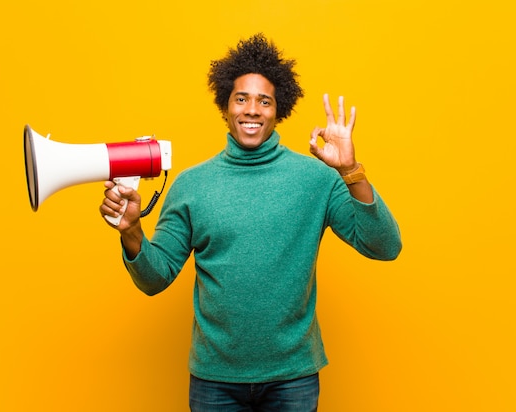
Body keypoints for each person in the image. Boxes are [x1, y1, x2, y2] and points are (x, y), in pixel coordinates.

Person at [100, 33, 402, 412]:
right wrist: (131, 231)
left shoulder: (316, 179)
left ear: (279, 111)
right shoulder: (192, 185)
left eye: (265, 101)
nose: (252, 110)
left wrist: (351, 171)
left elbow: (385, 246)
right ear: (225, 106)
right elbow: (155, 278)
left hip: (293, 377)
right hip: (215, 381)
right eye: (241, 98)